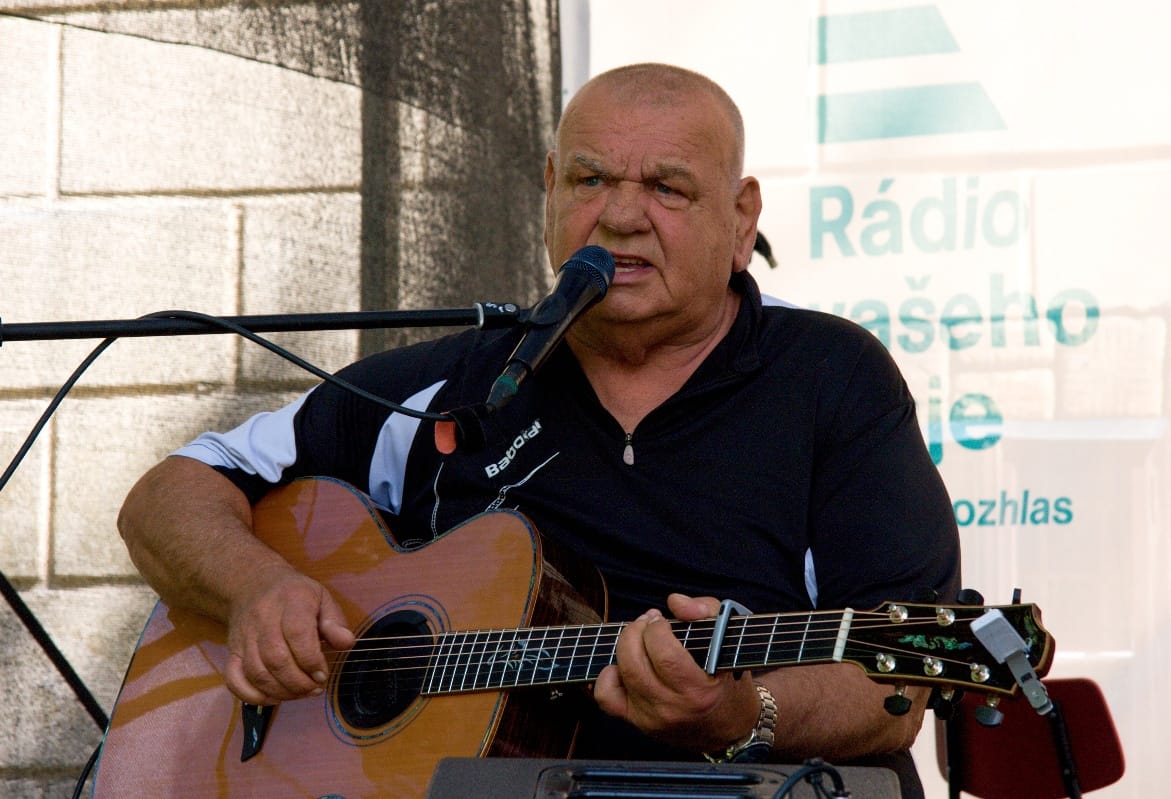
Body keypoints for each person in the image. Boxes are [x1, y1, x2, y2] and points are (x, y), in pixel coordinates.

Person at [118, 62, 960, 797]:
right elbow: (170, 493)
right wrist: (254, 589)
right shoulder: (461, 381)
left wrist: (745, 711)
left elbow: (896, 689)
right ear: (550, 189)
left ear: (742, 220)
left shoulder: (831, 377)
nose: (621, 217)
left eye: (668, 187)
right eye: (591, 181)